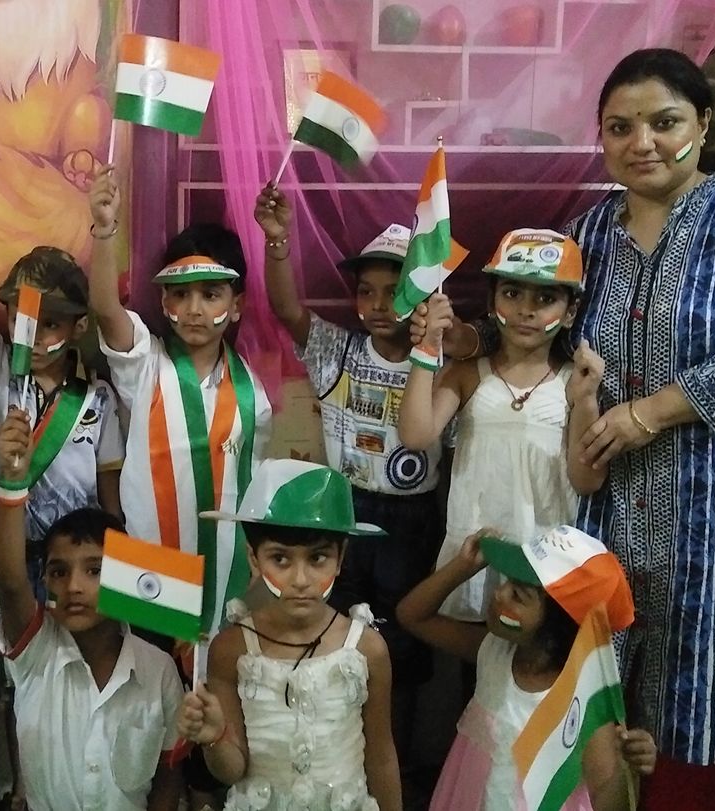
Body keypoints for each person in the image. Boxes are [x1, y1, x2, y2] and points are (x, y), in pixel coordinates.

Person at [435, 48, 715, 808]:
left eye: (664, 122)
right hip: (608, 493)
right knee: (609, 654)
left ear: (703, 124)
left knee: (708, 665)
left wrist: (652, 411)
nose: (642, 142)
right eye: (620, 127)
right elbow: (541, 325)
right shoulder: (587, 234)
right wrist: (469, 341)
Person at [256, 185, 454, 801]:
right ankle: (336, 759)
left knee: (400, 649)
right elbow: (285, 306)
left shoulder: (441, 362)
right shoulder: (336, 350)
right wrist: (279, 241)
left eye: (393, 291)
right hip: (342, 515)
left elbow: (476, 348)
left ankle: (395, 769)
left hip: (412, 520)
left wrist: (442, 335)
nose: (376, 304)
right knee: (334, 635)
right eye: (365, 291)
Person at [87, 163, 272, 636]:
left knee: (217, 670)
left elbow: (252, 486)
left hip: (226, 564)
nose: (194, 309)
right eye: (181, 294)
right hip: (149, 562)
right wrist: (104, 231)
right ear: (164, 302)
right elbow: (106, 309)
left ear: (236, 306)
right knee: (149, 674)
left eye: (211, 295)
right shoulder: (145, 362)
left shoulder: (252, 393)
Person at [174, 458, 401, 810]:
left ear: (340, 558)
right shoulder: (231, 649)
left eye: (317, 558)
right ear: (254, 559)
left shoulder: (367, 649)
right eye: (280, 559)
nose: (300, 579)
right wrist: (214, 737)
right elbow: (232, 771)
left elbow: (382, 757)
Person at [0, 407, 185, 811]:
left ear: (126, 576)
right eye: (59, 572)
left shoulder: (159, 670)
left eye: (96, 570)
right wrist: (11, 484)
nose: (74, 586)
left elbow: (168, 776)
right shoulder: (37, 651)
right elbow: (9, 582)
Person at [0, 167, 124, 593]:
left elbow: (109, 499)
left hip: (76, 569)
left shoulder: (99, 399)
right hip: (9, 559)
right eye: (22, 320)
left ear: (79, 327)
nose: (34, 336)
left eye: (51, 324)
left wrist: (117, 575)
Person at [398, 229, 593, 620]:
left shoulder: (574, 382)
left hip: (544, 563)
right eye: (512, 293)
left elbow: (586, 480)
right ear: (491, 302)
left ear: (571, 312)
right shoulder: (468, 374)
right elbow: (416, 435)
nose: (526, 310)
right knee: (465, 651)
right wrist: (427, 347)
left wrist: (587, 399)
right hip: (472, 556)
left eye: (546, 299)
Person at [396, 526, 657, 809]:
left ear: (557, 628)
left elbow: (608, 799)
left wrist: (625, 768)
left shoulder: (583, 703)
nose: (500, 594)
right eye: (507, 582)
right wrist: (462, 567)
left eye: (518, 596)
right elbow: (411, 615)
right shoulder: (494, 651)